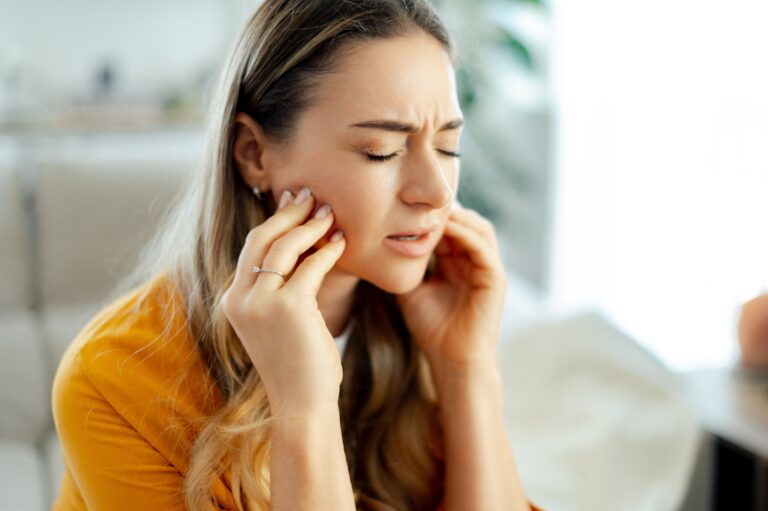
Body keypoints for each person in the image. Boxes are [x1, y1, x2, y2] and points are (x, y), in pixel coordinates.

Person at [52, 0, 541, 509]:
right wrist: (302, 404)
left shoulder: (418, 320)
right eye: (381, 151)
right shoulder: (111, 378)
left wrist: (466, 370)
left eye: (448, 147)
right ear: (254, 155)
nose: (437, 191)